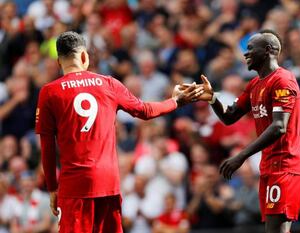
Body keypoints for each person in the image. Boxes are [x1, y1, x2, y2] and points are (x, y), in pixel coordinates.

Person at [35, 31, 203, 233]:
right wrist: (175, 101)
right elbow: (145, 111)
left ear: (59, 62)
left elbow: (47, 147)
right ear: (84, 57)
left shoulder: (50, 91)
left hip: (75, 185)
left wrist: (52, 187)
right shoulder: (109, 83)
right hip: (108, 181)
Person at [194, 29, 300, 233]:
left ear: (267, 50)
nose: (245, 54)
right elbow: (229, 117)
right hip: (269, 166)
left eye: (249, 48)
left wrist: (241, 156)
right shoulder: (255, 84)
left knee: (277, 230)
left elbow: (279, 126)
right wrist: (211, 98)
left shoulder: (283, 80)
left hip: (286, 165)